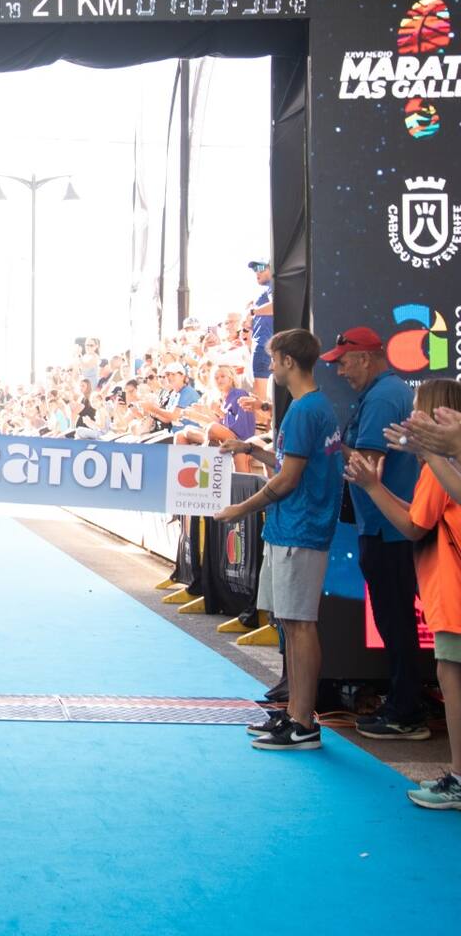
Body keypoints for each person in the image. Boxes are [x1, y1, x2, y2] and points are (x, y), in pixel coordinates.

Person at [215, 328, 343, 751]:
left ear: (288, 361)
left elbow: (288, 480)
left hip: (301, 529)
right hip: (293, 528)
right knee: (292, 623)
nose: (270, 367)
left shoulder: (307, 410)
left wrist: (240, 509)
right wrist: (251, 448)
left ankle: (303, 721)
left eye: (274, 359)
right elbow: (290, 463)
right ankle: (295, 714)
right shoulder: (310, 409)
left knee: (300, 625)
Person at [346, 378, 461, 809]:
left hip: (452, 596)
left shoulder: (438, 468)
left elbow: (414, 525)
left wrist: (373, 487)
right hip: (447, 594)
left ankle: (458, 778)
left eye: (417, 408)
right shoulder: (439, 465)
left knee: (453, 682)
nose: (409, 416)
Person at [323, 326, 426, 739]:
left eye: (344, 362)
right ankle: (405, 705)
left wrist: (327, 446)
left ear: (365, 358)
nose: (341, 371)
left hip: (389, 528)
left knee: (396, 619)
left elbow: (368, 467)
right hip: (386, 525)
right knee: (395, 619)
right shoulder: (385, 393)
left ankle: (407, 711)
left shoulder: (384, 396)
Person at [246, 259, 274, 401]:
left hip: (264, 345)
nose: (257, 271)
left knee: (260, 398)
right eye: (255, 269)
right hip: (262, 344)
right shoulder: (265, 288)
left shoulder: (272, 284)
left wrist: (253, 312)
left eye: (262, 267)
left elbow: (276, 306)